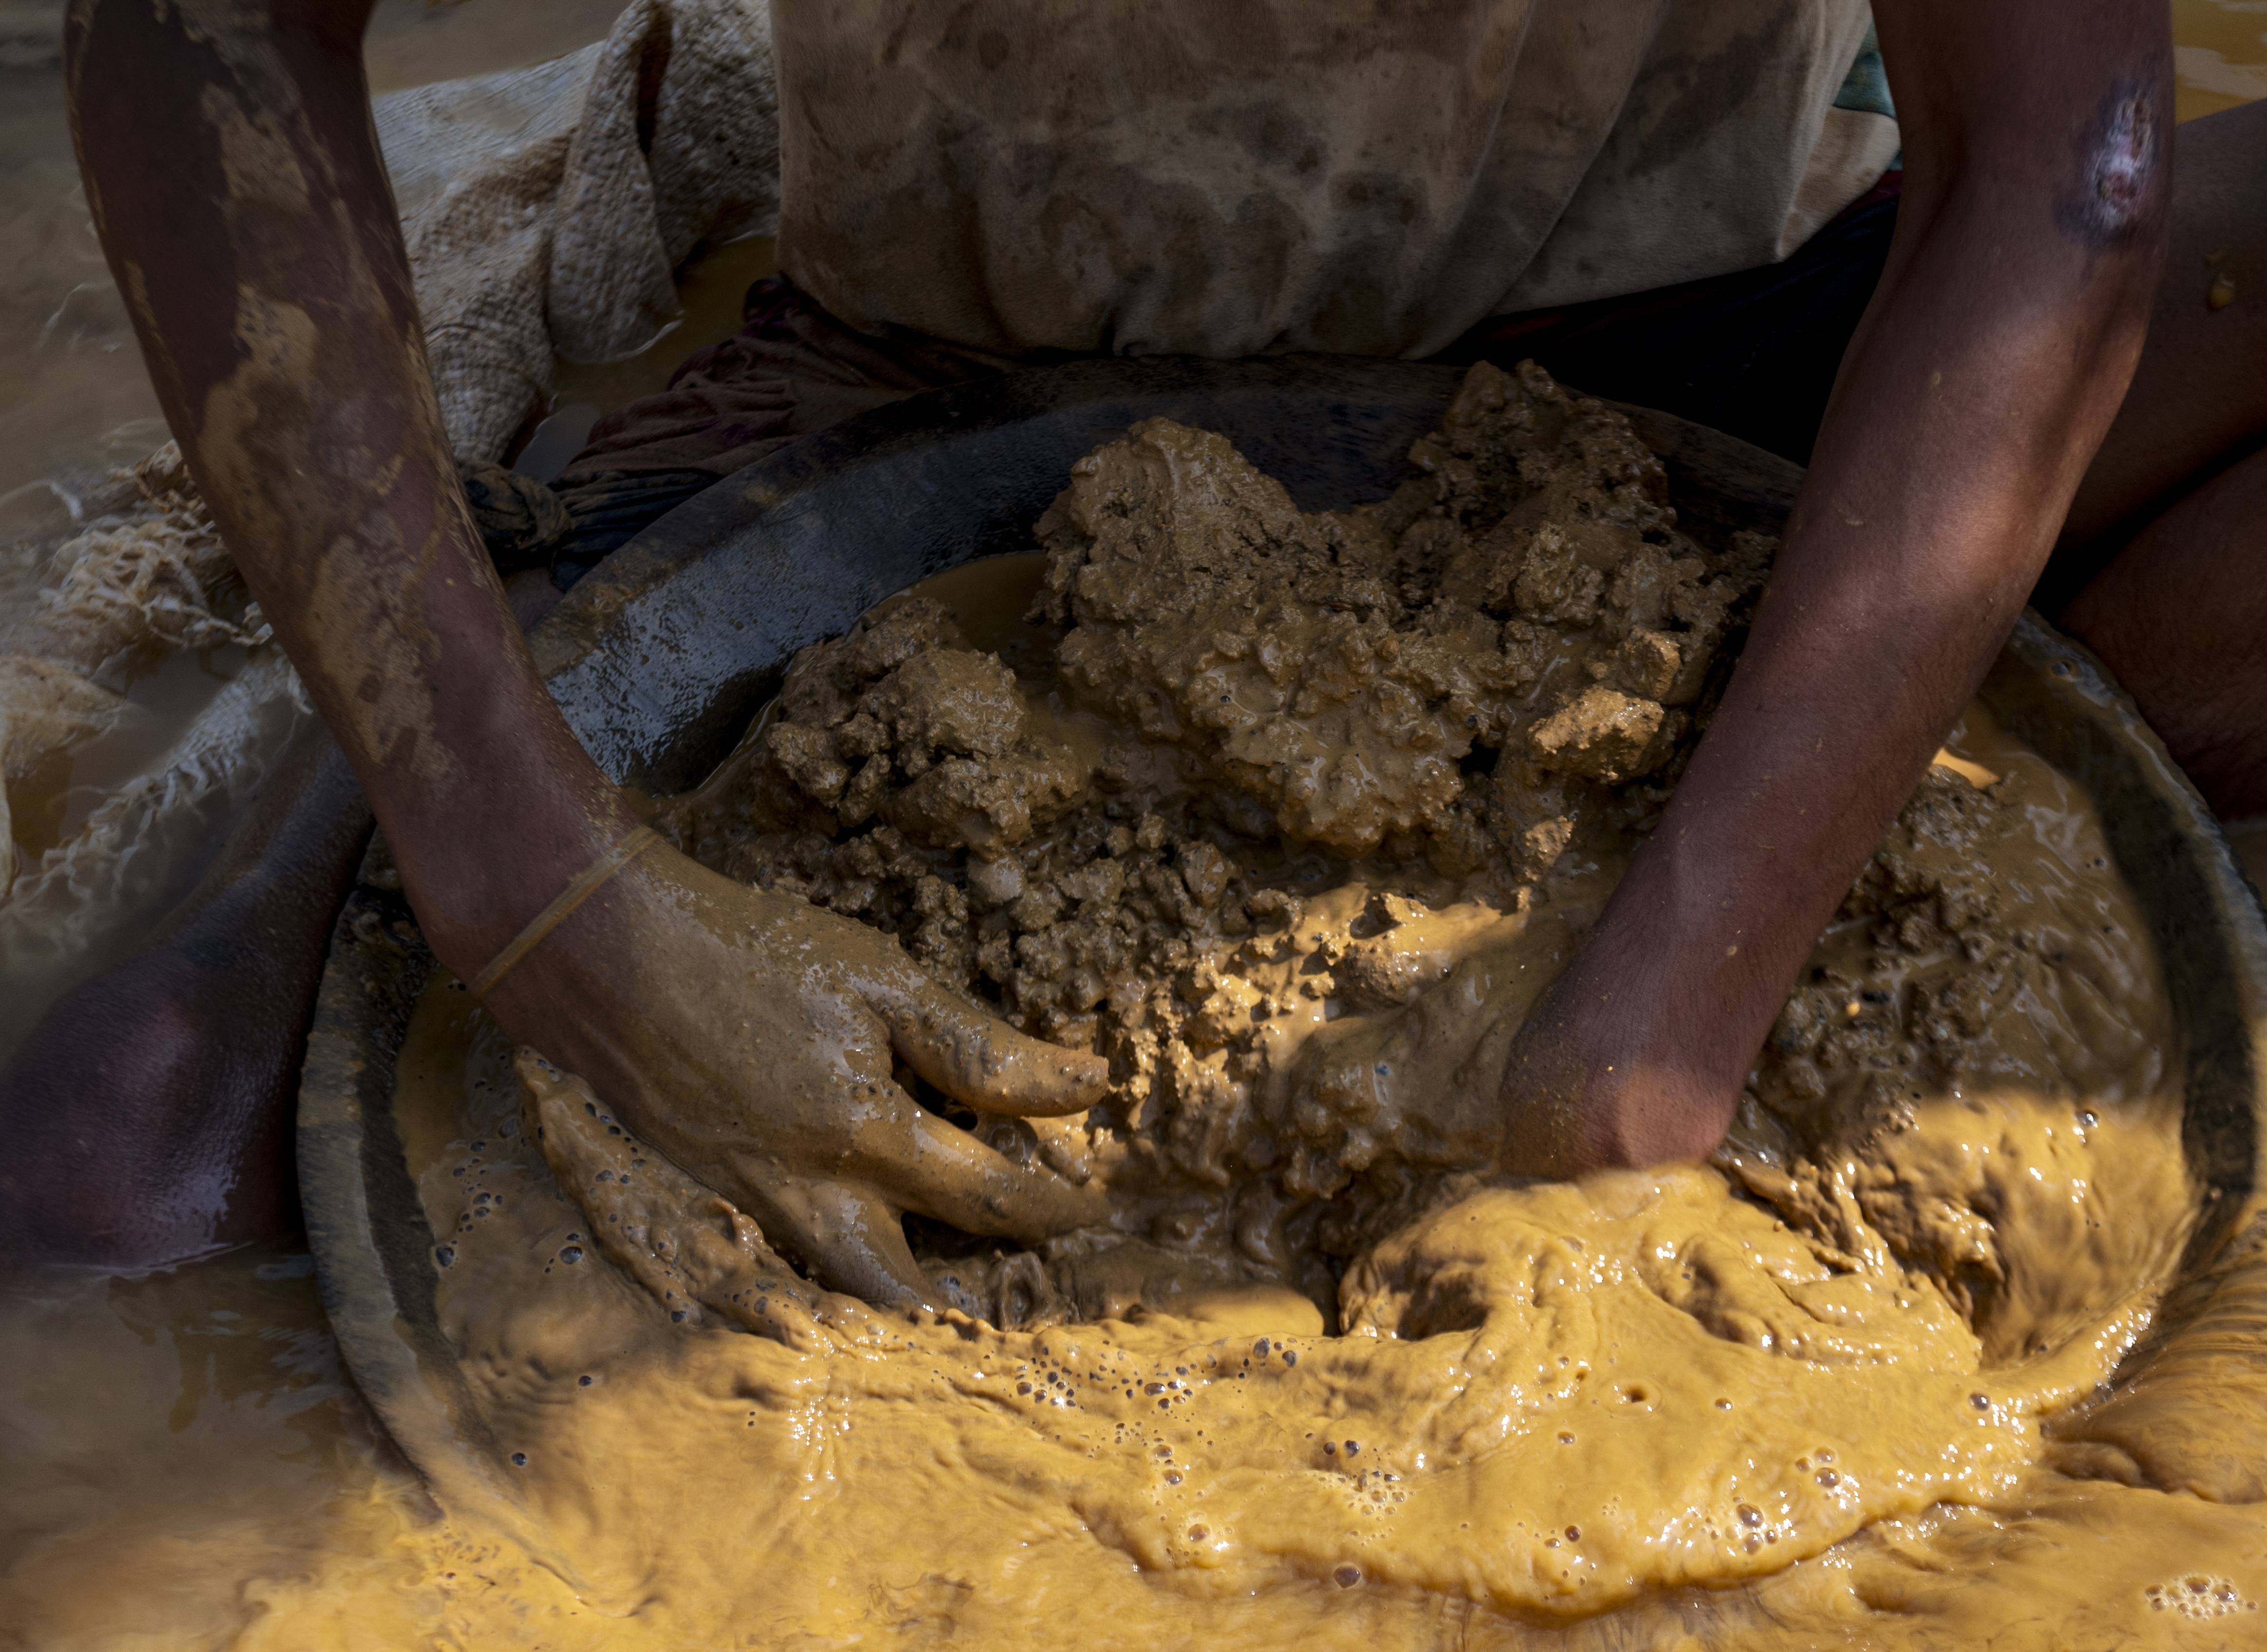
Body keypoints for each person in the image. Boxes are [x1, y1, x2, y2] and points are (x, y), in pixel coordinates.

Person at [4, 0, 2259, 1300]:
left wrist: (1672, 1005)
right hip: (930, 401)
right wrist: (544, 896)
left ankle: (2009, 757)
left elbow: (2065, 159)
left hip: (1685, 367)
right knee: (118, 1178)